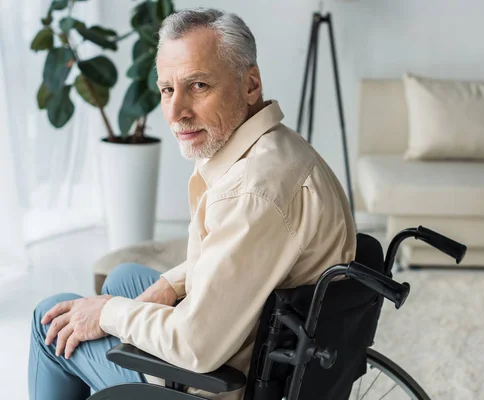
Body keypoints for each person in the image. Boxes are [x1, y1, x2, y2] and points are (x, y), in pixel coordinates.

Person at [28, 7, 356, 400]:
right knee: (125, 278)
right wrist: (169, 284)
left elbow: (196, 345)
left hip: (214, 381)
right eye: (167, 89)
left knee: (50, 318)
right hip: (257, 339)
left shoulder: (252, 191)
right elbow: (241, 253)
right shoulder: (279, 147)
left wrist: (106, 313)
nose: (175, 111)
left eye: (198, 85)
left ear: (250, 84)